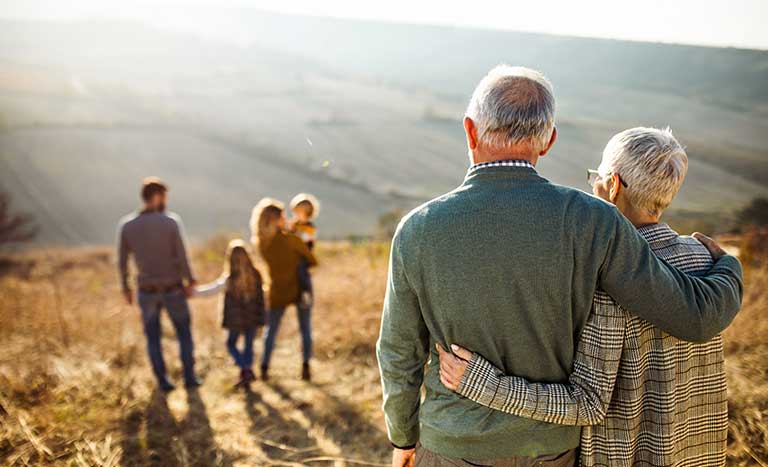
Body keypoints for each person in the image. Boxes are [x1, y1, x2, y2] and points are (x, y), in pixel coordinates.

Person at [376, 65, 743, 467]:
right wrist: (727, 267)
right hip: (550, 450)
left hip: (451, 444)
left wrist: (403, 437)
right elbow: (690, 314)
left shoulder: (417, 229)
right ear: (548, 141)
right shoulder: (593, 220)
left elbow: (399, 352)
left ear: (469, 130)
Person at [437, 127, 731, 467]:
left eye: (597, 177)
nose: (593, 185)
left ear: (614, 186)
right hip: (699, 456)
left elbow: (588, 403)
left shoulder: (605, 276)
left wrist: (484, 385)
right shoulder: (704, 257)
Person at [117, 177, 201, 392]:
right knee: (184, 333)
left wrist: (126, 288)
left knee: (152, 337)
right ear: (157, 196)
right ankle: (190, 377)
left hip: (146, 291)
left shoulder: (127, 226)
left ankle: (163, 381)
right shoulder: (170, 222)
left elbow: (122, 261)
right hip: (173, 288)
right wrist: (190, 280)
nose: (166, 201)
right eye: (164, 196)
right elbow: (182, 255)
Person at [250, 198, 318, 382]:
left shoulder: (262, 244)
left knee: (271, 330)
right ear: (276, 219)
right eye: (282, 216)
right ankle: (305, 367)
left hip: (277, 289)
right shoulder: (291, 240)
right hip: (300, 288)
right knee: (305, 329)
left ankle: (264, 367)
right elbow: (312, 259)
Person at [195, 239, 266, 389]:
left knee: (231, 344)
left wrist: (193, 292)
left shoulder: (229, 279)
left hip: (235, 320)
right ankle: (246, 372)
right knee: (248, 346)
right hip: (252, 318)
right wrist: (261, 317)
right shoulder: (256, 275)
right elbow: (262, 298)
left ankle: (245, 370)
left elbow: (211, 290)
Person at [288, 193, 320, 308]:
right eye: (295, 212)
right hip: (293, 256)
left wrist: (296, 233)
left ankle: (305, 293)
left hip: (304, 256)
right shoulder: (294, 225)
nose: (296, 215)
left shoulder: (310, 227)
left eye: (299, 212)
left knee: (302, 271)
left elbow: (306, 241)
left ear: (308, 213)